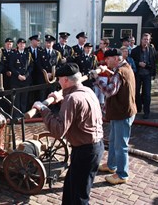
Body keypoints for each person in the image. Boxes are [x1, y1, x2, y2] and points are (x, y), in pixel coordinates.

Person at [32, 63, 104, 204]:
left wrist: (43, 110)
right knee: (70, 188)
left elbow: (59, 130)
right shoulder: (88, 90)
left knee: (79, 197)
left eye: (59, 79)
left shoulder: (72, 99)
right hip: (92, 148)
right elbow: (76, 111)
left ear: (65, 80)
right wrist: (61, 100)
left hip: (85, 150)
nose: (58, 82)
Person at [91, 48, 137, 185]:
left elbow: (109, 91)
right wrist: (107, 71)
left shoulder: (121, 72)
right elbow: (117, 78)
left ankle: (122, 174)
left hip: (122, 114)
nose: (106, 61)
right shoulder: (124, 67)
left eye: (108, 59)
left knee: (120, 145)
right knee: (113, 141)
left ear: (116, 58)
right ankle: (111, 166)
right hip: (120, 112)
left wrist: (97, 78)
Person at [131, 33, 156, 119]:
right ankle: (138, 108)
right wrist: (139, 63)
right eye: (144, 39)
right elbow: (132, 60)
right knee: (136, 92)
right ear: (141, 40)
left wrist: (153, 73)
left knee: (147, 93)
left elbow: (153, 62)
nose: (146, 41)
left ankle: (147, 112)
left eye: (147, 39)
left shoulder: (152, 50)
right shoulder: (135, 50)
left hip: (147, 74)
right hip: (137, 74)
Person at [9, 38, 33, 114]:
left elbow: (31, 66)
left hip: (26, 80)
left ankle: (23, 113)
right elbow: (11, 66)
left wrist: (26, 76)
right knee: (16, 99)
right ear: (18, 45)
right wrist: (18, 75)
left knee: (24, 98)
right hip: (16, 80)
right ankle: (16, 115)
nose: (22, 45)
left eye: (23, 44)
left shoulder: (28, 54)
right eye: (20, 44)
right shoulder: (13, 54)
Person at [37, 34, 63, 101]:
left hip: (53, 78)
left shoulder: (57, 53)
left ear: (53, 43)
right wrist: (45, 73)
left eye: (50, 42)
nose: (48, 44)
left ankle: (52, 110)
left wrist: (53, 73)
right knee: (42, 95)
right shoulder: (41, 52)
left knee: (52, 95)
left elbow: (59, 65)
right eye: (47, 42)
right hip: (43, 78)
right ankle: (41, 110)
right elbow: (38, 64)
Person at [94, 38, 110, 109]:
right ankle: (96, 107)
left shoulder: (110, 52)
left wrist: (105, 62)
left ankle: (103, 106)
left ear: (105, 44)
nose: (99, 44)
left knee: (104, 92)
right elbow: (94, 62)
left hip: (107, 75)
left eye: (101, 43)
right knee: (97, 91)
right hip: (98, 74)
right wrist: (98, 64)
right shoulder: (97, 52)